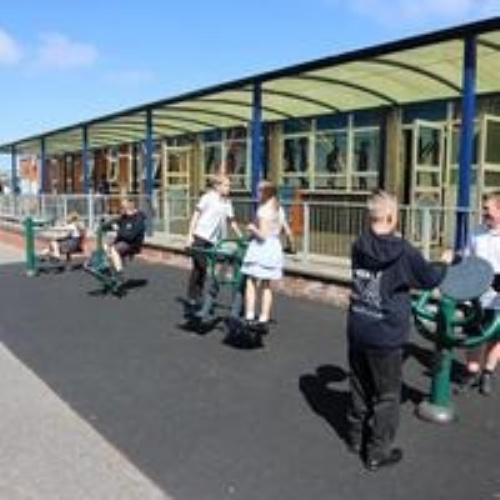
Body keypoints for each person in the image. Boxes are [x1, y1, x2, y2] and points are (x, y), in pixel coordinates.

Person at [346, 189, 446, 471]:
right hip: (386, 333)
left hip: (359, 324)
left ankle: (355, 438)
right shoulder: (404, 251)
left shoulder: (359, 244)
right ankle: (377, 452)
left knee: (359, 385)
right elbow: (428, 278)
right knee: (388, 395)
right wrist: (445, 262)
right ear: (391, 216)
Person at [457, 191, 500, 395]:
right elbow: (467, 257)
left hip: (498, 298)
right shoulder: (476, 231)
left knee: (496, 338)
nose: (484, 212)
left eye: (487, 209)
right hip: (475, 296)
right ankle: (471, 373)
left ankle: (487, 373)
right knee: (473, 334)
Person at [241, 180, 293, 331]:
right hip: (274, 247)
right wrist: (290, 245)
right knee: (266, 284)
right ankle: (264, 318)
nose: (257, 193)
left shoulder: (263, 210)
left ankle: (249, 316)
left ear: (266, 193)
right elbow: (287, 231)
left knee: (251, 281)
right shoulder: (279, 209)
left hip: (261, 248)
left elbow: (262, 235)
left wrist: (252, 228)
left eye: (259, 190)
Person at [185, 174, 242, 309]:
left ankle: (198, 296)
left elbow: (232, 221)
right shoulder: (208, 197)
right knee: (201, 266)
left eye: (229, 185)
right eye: (226, 185)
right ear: (217, 186)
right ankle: (193, 296)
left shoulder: (227, 202)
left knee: (202, 268)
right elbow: (196, 215)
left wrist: (240, 236)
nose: (229, 188)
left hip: (214, 240)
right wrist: (189, 235)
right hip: (200, 235)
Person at [102, 198, 146, 279]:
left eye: (123, 207)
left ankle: (120, 274)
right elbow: (110, 224)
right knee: (105, 246)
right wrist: (106, 225)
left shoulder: (139, 218)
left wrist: (118, 230)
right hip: (123, 241)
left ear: (130, 206)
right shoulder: (123, 217)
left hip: (133, 243)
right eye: (121, 207)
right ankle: (109, 268)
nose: (121, 209)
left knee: (114, 249)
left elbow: (131, 235)